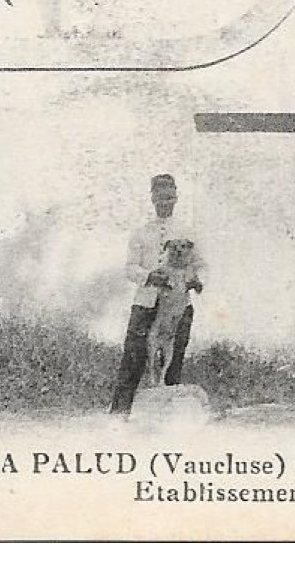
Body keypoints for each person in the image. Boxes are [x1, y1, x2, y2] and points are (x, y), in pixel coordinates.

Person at [110, 173, 205, 415]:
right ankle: (119, 416)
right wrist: (150, 276)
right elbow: (130, 268)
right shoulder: (141, 232)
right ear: (152, 198)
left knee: (174, 358)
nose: (165, 202)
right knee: (133, 357)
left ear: (176, 198)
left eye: (170, 197)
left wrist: (194, 280)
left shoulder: (187, 231)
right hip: (146, 302)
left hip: (178, 304)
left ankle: (169, 417)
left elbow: (201, 263)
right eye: (160, 197)